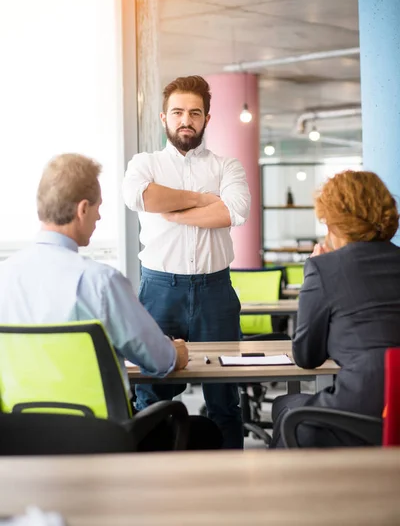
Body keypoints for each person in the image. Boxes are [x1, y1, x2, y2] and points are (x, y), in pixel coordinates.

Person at [0, 153, 222, 452]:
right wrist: (177, 351)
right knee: (206, 431)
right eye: (98, 207)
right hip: (99, 439)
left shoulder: (5, 277)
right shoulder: (100, 282)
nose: (100, 217)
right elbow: (159, 361)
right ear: (82, 209)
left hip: (18, 438)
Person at [123, 75, 251, 449]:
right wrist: (204, 199)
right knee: (154, 395)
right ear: (163, 118)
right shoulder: (144, 163)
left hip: (216, 290)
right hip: (160, 290)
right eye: (177, 112)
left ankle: (231, 486)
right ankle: (156, 484)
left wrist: (176, 207)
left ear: (207, 119)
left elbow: (236, 211)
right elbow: (142, 197)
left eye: (195, 113)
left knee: (225, 398)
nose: (186, 120)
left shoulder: (228, 166)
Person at [271, 169, 400, 448]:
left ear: (333, 223)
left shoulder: (324, 268)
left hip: (364, 409)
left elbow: (306, 356)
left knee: (286, 406)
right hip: (391, 412)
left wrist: (313, 276)